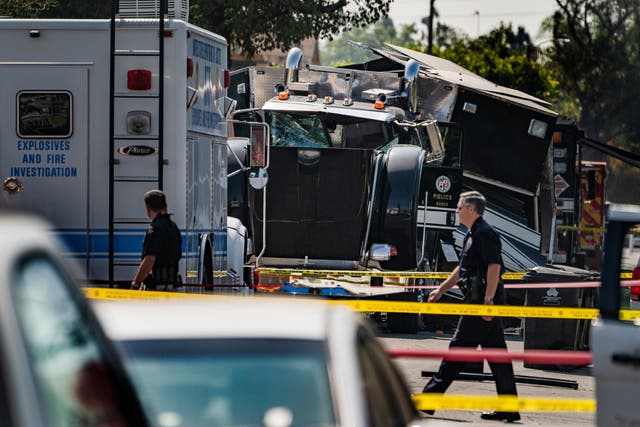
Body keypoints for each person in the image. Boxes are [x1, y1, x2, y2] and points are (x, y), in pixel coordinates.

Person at [422, 191, 520, 423]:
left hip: (481, 305)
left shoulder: (484, 233)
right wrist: (442, 289)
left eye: (459, 207)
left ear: (472, 210)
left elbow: (494, 267)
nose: (456, 210)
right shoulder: (472, 233)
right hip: (480, 302)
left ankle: (427, 399)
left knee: (457, 351)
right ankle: (509, 408)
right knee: (498, 358)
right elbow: (463, 269)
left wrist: (488, 300)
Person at [131, 190, 182, 291]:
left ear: (148, 208)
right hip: (172, 286)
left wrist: (136, 283)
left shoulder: (154, 228)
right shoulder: (173, 227)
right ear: (165, 206)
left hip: (157, 289)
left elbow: (149, 259)